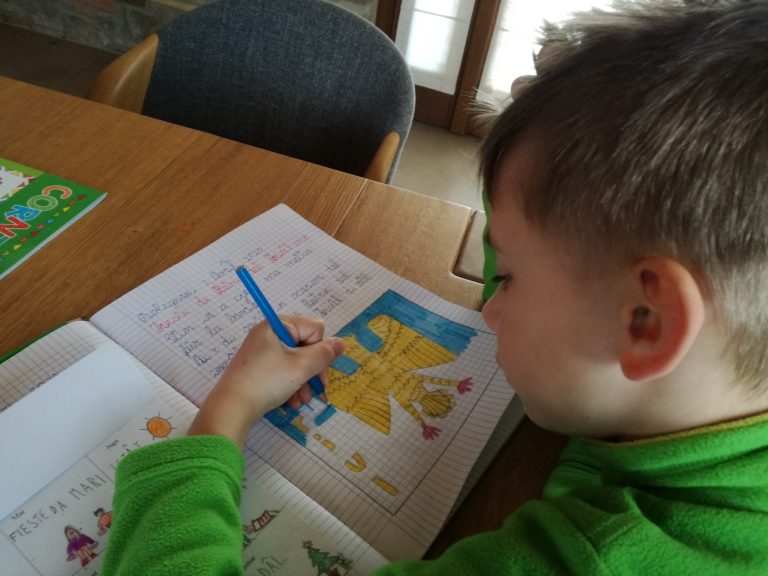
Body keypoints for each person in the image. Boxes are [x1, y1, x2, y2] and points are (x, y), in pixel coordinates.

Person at [101, 1, 768, 574]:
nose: (490, 308)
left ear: (647, 322)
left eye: (507, 276)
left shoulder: (602, 557)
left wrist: (228, 408)